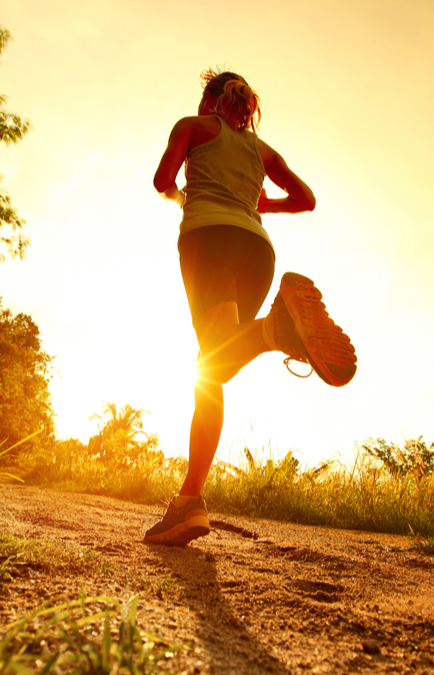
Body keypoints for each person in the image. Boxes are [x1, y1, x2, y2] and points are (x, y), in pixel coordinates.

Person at [144, 69, 357, 547]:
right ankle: (190, 502)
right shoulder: (261, 151)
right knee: (214, 366)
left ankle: (272, 331)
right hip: (258, 250)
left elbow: (161, 180)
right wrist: (263, 204)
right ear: (245, 105)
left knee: (213, 363)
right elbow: (306, 199)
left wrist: (183, 196)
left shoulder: (193, 127)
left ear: (209, 99)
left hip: (209, 239)